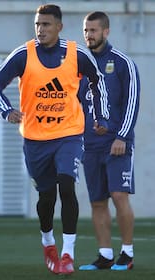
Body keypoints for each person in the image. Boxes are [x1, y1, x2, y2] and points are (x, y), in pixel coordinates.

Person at [0, 4, 109, 275]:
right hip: (35, 139)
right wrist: (7, 111)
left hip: (69, 134)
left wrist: (100, 115)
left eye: (46, 25)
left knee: (67, 184)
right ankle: (48, 242)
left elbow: (96, 80)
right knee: (46, 197)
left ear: (59, 27)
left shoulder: (76, 53)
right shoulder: (23, 54)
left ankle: (68, 253)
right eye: (37, 25)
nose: (40, 29)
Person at [78, 11, 140, 271]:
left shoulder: (123, 62)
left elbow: (132, 103)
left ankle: (127, 254)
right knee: (97, 201)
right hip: (89, 145)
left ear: (106, 32)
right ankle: (105, 255)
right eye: (85, 31)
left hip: (117, 143)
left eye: (93, 30)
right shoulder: (78, 65)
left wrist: (122, 136)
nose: (88, 35)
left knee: (118, 196)